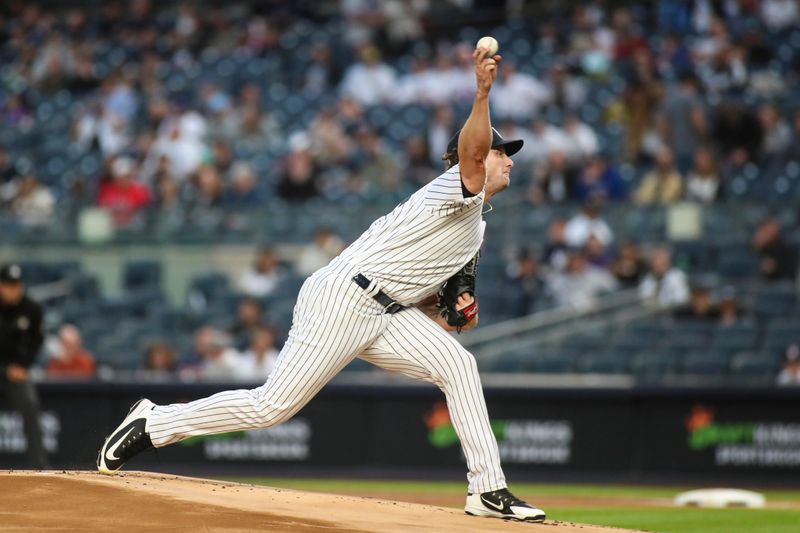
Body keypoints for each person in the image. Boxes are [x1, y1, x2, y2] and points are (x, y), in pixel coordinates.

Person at [97, 46, 545, 522]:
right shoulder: (453, 185)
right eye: (502, 152)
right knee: (271, 408)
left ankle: (487, 490)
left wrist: (453, 309)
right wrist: (481, 92)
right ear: (469, 158)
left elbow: (441, 304)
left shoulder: (475, 225)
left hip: (385, 311)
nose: (508, 161)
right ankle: (155, 422)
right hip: (344, 298)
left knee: (459, 366)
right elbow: (473, 151)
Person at [0, 264, 48, 468]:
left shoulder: (31, 309)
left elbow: (37, 341)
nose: (14, 290)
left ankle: (40, 465)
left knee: (30, 404)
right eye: (9, 285)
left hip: (16, 372)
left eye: (17, 285)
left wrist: (24, 366)